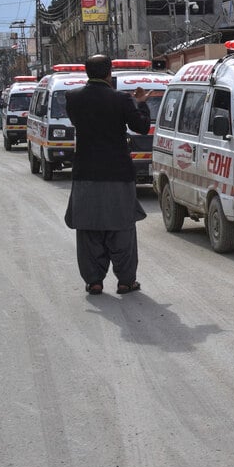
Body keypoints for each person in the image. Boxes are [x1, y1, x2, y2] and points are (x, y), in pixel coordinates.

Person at [63, 54, 150, 295]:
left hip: (85, 174)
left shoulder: (73, 98)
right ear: (109, 73)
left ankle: (94, 281)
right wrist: (140, 102)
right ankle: (125, 281)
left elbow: (79, 122)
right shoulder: (121, 99)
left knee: (88, 229)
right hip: (117, 173)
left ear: (87, 72)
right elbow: (141, 127)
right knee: (122, 228)